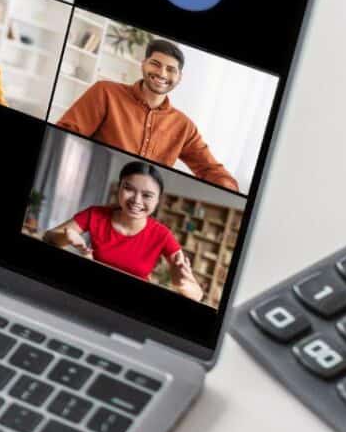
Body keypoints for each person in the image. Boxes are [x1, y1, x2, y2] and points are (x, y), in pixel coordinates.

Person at [54, 37, 241, 191]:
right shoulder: (105, 92)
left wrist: (228, 187)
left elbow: (210, 169)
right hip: (89, 183)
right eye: (155, 64)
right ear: (143, 64)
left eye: (171, 69)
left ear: (179, 77)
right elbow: (66, 133)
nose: (162, 73)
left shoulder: (184, 126)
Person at [43, 162, 205, 301]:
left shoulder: (162, 235)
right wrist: (68, 237)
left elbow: (197, 295)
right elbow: (48, 237)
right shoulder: (96, 214)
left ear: (158, 201)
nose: (136, 200)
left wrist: (181, 284)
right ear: (119, 187)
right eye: (128, 188)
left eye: (147, 195)